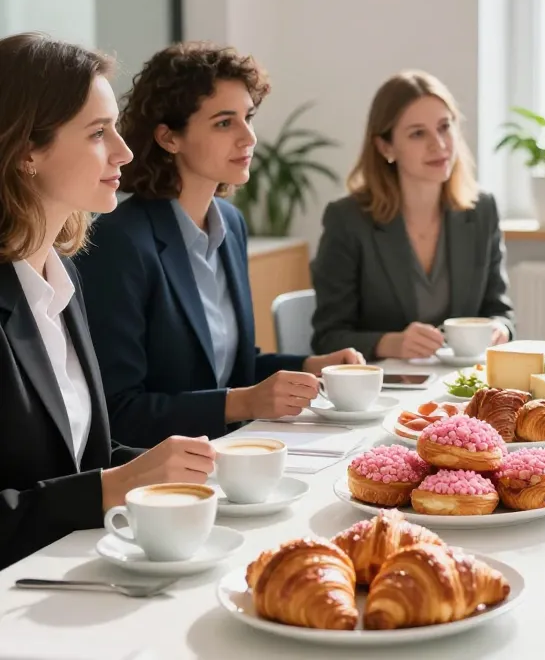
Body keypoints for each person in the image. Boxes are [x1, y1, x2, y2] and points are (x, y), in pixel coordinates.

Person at [75, 42, 363, 449]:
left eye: (248, 118)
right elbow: (118, 413)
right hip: (166, 469)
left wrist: (312, 365)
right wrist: (244, 402)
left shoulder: (229, 224)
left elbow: (228, 370)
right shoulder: (120, 242)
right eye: (225, 123)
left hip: (235, 452)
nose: (249, 137)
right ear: (169, 137)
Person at [0, 33, 216, 569]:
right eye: (98, 132)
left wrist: (197, 470)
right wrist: (112, 487)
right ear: (27, 149)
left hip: (75, 568)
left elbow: (81, 458)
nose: (124, 151)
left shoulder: (62, 277)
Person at [310, 70, 514, 361]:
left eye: (444, 127)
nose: (439, 144)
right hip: (385, 383)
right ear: (385, 146)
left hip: (462, 380)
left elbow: (500, 312)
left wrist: (499, 329)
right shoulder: (347, 220)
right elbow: (327, 338)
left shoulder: (482, 210)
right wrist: (390, 343)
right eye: (418, 133)